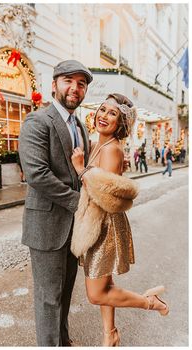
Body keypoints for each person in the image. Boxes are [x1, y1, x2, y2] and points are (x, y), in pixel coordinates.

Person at [70, 93, 169, 346]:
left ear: (121, 123)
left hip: (104, 225)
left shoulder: (112, 149)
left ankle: (150, 302)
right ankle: (110, 335)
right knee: (107, 285)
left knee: (96, 294)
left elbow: (106, 195)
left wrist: (81, 169)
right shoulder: (98, 144)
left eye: (112, 113)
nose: (103, 116)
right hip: (96, 222)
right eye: (102, 110)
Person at [19, 60, 93, 346]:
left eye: (81, 83)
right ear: (54, 85)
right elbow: (37, 174)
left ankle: (62, 341)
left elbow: (79, 172)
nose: (74, 88)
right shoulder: (37, 121)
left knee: (64, 293)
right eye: (68, 81)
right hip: (47, 226)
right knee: (48, 298)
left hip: (74, 229)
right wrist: (80, 203)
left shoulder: (81, 127)